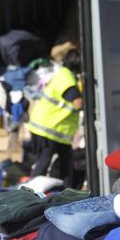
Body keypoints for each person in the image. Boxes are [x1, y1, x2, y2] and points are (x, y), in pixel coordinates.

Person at [27, 49, 82, 184]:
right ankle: (28, 194)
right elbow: (77, 102)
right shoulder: (67, 78)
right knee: (44, 160)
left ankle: (68, 191)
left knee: (66, 160)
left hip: (55, 128)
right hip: (47, 126)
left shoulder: (63, 73)